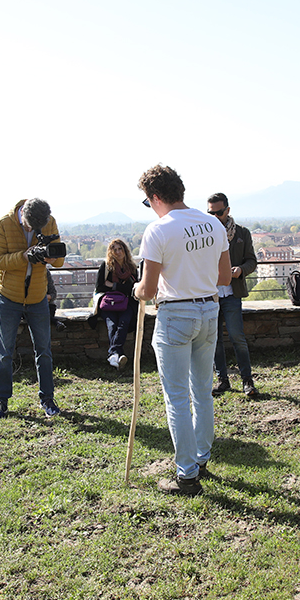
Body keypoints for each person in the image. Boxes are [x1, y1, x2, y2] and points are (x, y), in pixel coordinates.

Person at [134, 165, 231, 496]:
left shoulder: (158, 230)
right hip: (209, 309)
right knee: (202, 390)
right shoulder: (213, 223)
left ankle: (187, 474)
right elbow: (225, 277)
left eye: (148, 201)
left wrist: (137, 290)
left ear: (156, 197)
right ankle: (201, 458)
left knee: (177, 397)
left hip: (176, 313)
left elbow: (147, 291)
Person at [0, 198, 65, 418]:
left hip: (38, 296)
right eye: (30, 225)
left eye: (37, 227)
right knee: (3, 353)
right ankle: (1, 401)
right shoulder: (5, 223)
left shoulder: (48, 222)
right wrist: (24, 256)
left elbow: (59, 261)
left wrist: (49, 256)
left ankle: (48, 399)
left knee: (44, 351)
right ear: (22, 215)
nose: (33, 230)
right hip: (9, 296)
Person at [208, 193, 259, 398]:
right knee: (215, 339)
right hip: (211, 295)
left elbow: (252, 261)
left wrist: (240, 270)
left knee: (238, 337)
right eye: (210, 213)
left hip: (232, 293)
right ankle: (223, 380)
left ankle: (247, 380)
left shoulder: (242, 233)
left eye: (218, 212)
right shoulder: (205, 233)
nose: (214, 216)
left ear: (227, 211)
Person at [94, 238, 140, 369]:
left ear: (125, 250)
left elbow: (134, 289)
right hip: (109, 303)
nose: (118, 252)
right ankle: (117, 354)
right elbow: (100, 287)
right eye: (115, 250)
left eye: (120, 249)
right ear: (111, 252)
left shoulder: (131, 267)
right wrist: (121, 287)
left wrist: (113, 285)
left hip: (127, 303)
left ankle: (113, 355)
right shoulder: (106, 266)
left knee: (123, 323)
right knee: (112, 324)